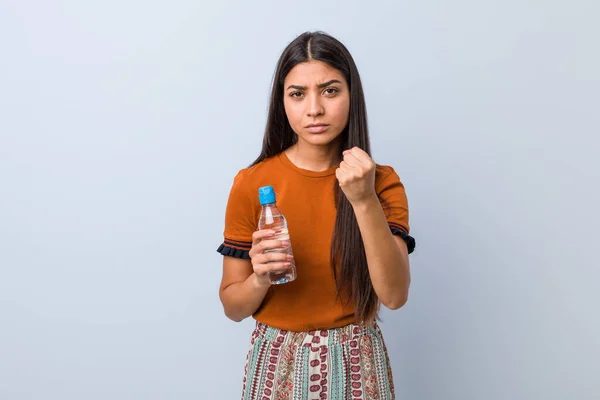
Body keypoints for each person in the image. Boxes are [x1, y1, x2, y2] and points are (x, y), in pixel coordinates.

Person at [217, 31, 416, 400]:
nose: (314, 109)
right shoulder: (252, 184)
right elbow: (233, 307)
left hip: (357, 361)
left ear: (351, 95)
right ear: (282, 103)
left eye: (330, 90)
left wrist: (363, 199)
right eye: (297, 94)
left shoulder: (382, 182)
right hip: (277, 362)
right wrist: (261, 277)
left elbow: (394, 295)